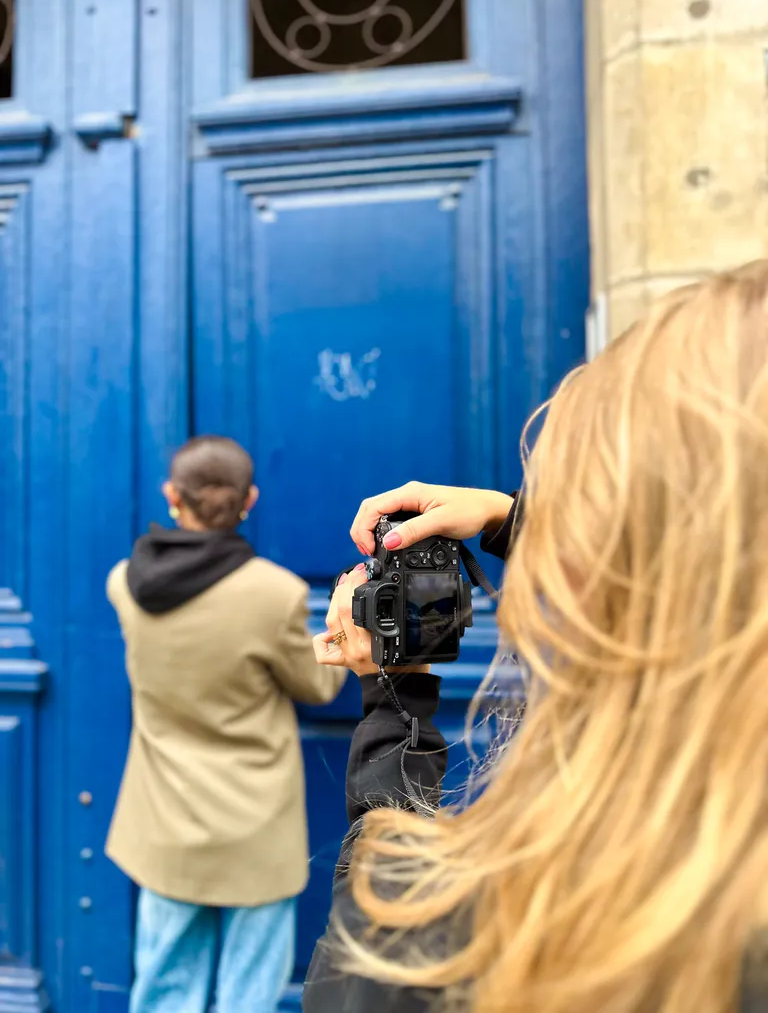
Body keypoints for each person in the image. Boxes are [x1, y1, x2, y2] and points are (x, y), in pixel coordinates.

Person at [304, 261, 768, 1013]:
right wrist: (516, 518)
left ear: (586, 583)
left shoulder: (485, 941)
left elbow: (366, 963)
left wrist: (393, 695)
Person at [105, 435, 347, 1013]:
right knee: (249, 993)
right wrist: (341, 628)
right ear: (249, 500)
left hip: (165, 820)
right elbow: (317, 686)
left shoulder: (125, 583)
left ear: (172, 496)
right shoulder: (275, 594)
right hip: (254, 825)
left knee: (163, 988)